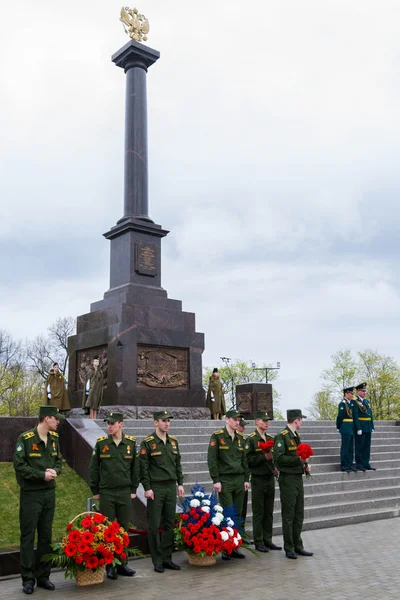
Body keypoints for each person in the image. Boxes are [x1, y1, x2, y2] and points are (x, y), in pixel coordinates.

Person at [13, 406, 64, 595]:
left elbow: (59, 461)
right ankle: (27, 578)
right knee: (28, 536)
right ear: (46, 418)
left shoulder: (54, 439)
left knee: (45, 535)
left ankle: (43, 576)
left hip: (49, 494)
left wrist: (55, 471)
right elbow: (19, 465)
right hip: (31, 494)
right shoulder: (25, 439)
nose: (58, 421)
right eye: (55, 419)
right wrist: (41, 475)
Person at [89, 411, 138, 580]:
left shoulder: (131, 443)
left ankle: (122, 564)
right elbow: (94, 468)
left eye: (112, 423)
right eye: (108, 424)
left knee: (123, 529)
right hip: (107, 493)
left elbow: (135, 468)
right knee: (107, 530)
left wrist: (133, 489)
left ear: (121, 424)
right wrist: (95, 490)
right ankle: (109, 566)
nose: (109, 426)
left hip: (124, 492)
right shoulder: (101, 444)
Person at [139, 410, 184, 574]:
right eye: (163, 421)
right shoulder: (148, 443)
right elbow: (143, 467)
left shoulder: (173, 442)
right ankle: (157, 560)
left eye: (168, 421)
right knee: (154, 524)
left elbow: (177, 463)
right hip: (156, 488)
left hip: (171, 486)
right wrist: (147, 487)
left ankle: (167, 558)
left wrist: (180, 483)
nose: (167, 423)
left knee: (169, 524)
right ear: (155, 422)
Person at [207, 408, 250, 559]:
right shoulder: (218, 437)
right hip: (225, 480)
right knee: (227, 512)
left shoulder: (240, 438)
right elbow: (212, 460)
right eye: (234, 420)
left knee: (237, 514)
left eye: (238, 420)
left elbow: (244, 460)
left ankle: (235, 546)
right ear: (227, 419)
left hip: (239, 479)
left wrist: (246, 479)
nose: (237, 422)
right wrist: (216, 480)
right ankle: (226, 548)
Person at [274, 409, 313, 560]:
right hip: (288, 479)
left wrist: (305, 466)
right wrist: (299, 461)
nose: (301, 422)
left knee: (299, 514)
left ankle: (298, 545)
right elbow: (279, 459)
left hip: (297, 477)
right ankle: (289, 547)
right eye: (300, 420)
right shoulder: (282, 436)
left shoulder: (296, 436)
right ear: (296, 420)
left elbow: (299, 456)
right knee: (289, 514)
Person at [245, 411, 281, 552]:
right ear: (257, 422)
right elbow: (248, 460)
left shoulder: (270, 439)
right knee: (259, 511)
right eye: (263, 420)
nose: (266, 423)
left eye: (267, 421)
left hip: (269, 478)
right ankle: (258, 540)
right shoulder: (252, 439)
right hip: (258, 479)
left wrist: (275, 468)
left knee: (269, 511)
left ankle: (268, 539)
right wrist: (263, 458)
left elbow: (273, 458)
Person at [353, 382, 376, 471]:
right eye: (363, 391)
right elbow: (355, 416)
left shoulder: (366, 401)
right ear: (358, 391)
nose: (364, 393)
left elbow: (370, 415)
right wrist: (358, 428)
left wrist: (372, 426)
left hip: (368, 427)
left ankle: (366, 463)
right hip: (361, 427)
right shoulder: (355, 402)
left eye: (365, 391)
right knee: (359, 446)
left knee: (367, 447)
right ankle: (359, 464)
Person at [237, 417, 252, 543]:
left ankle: (241, 533)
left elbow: (246, 462)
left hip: (243, 479)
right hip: (234, 479)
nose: (244, 428)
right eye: (242, 426)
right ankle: (236, 535)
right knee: (236, 509)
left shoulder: (243, 440)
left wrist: (246, 478)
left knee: (243, 509)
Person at [336, 387, 356, 472]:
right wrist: (339, 426)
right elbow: (340, 416)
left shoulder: (351, 403)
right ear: (346, 394)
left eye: (352, 393)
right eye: (351, 393)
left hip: (351, 427)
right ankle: (344, 466)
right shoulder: (342, 404)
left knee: (351, 448)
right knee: (345, 447)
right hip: (345, 427)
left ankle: (349, 465)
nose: (352, 395)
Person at [82, 355, 104, 420]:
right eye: (95, 361)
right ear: (93, 362)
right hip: (92, 389)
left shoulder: (100, 371)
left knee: (96, 404)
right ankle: (92, 418)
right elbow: (88, 381)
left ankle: (95, 418)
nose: (97, 362)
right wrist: (87, 390)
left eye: (97, 361)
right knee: (91, 404)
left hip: (98, 390)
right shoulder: (90, 371)